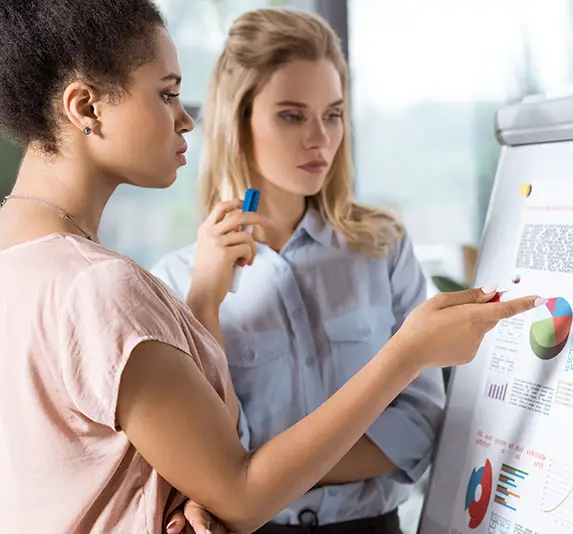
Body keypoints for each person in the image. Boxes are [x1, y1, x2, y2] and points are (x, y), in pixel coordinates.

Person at [0, 2, 539, 534]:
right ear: (86, 109)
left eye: (333, 115)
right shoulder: (115, 285)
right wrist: (405, 352)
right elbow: (236, 486)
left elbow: (201, 475)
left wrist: (234, 480)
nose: (186, 118)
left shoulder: (30, 264)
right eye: (166, 94)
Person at [150, 8, 445, 533]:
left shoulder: (382, 248)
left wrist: (259, 478)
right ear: (239, 120)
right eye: (292, 115)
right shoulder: (174, 282)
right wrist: (205, 303)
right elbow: (202, 455)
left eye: (332, 114)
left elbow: (420, 423)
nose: (320, 139)